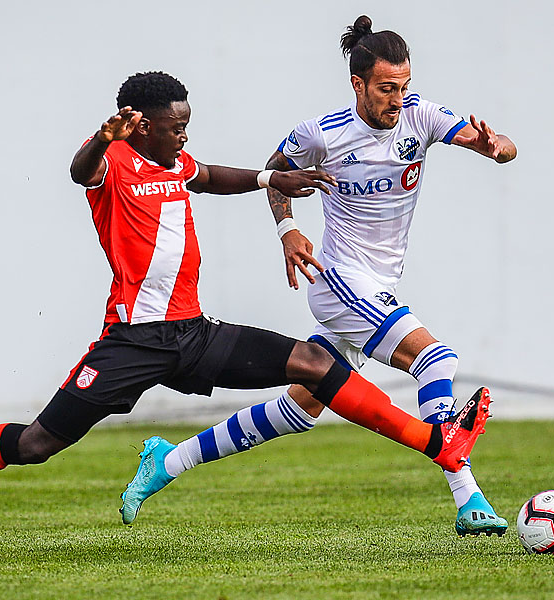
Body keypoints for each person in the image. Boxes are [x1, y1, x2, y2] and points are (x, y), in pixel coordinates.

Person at [0, 71, 488, 526]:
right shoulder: (111, 160)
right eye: (175, 126)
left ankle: (436, 444)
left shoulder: (173, 162)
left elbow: (214, 177)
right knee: (37, 445)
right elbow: (78, 169)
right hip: (132, 341)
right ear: (139, 124)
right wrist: (102, 134)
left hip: (192, 334)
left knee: (315, 365)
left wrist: (277, 179)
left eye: (187, 126)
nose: (183, 136)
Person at [131, 18, 517, 537]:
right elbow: (274, 173)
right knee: (435, 358)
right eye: (386, 88)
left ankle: (168, 461)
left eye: (403, 86)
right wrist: (288, 229)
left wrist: (496, 147)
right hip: (338, 282)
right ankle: (465, 491)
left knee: (304, 402)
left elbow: (500, 145)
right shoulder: (323, 133)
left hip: (378, 285)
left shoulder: (421, 116)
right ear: (358, 84)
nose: (397, 99)